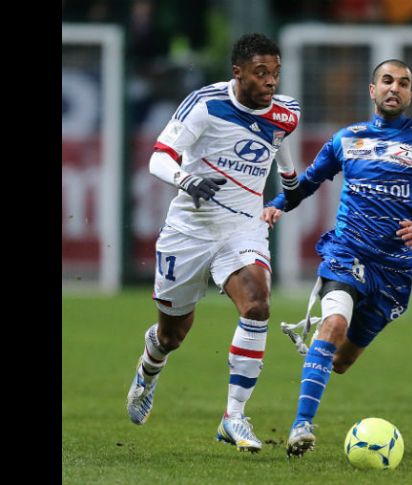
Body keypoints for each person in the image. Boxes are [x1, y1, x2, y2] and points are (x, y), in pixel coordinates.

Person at [261, 59, 412, 456]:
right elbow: (308, 183)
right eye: (387, 81)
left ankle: (322, 339)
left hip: (395, 272)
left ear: (411, 95)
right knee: (334, 325)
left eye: (403, 83)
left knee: (341, 361)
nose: (394, 88)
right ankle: (301, 426)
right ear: (372, 90)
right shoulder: (346, 139)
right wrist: (278, 205)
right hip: (348, 252)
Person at [125, 32, 304, 454]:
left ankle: (234, 417)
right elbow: (159, 157)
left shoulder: (286, 112)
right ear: (237, 72)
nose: (270, 82)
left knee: (257, 305)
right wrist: (187, 179)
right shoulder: (205, 105)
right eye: (261, 73)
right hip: (190, 230)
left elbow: (278, 141)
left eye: (275, 73)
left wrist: (292, 181)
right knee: (173, 333)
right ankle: (149, 370)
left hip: (243, 227)